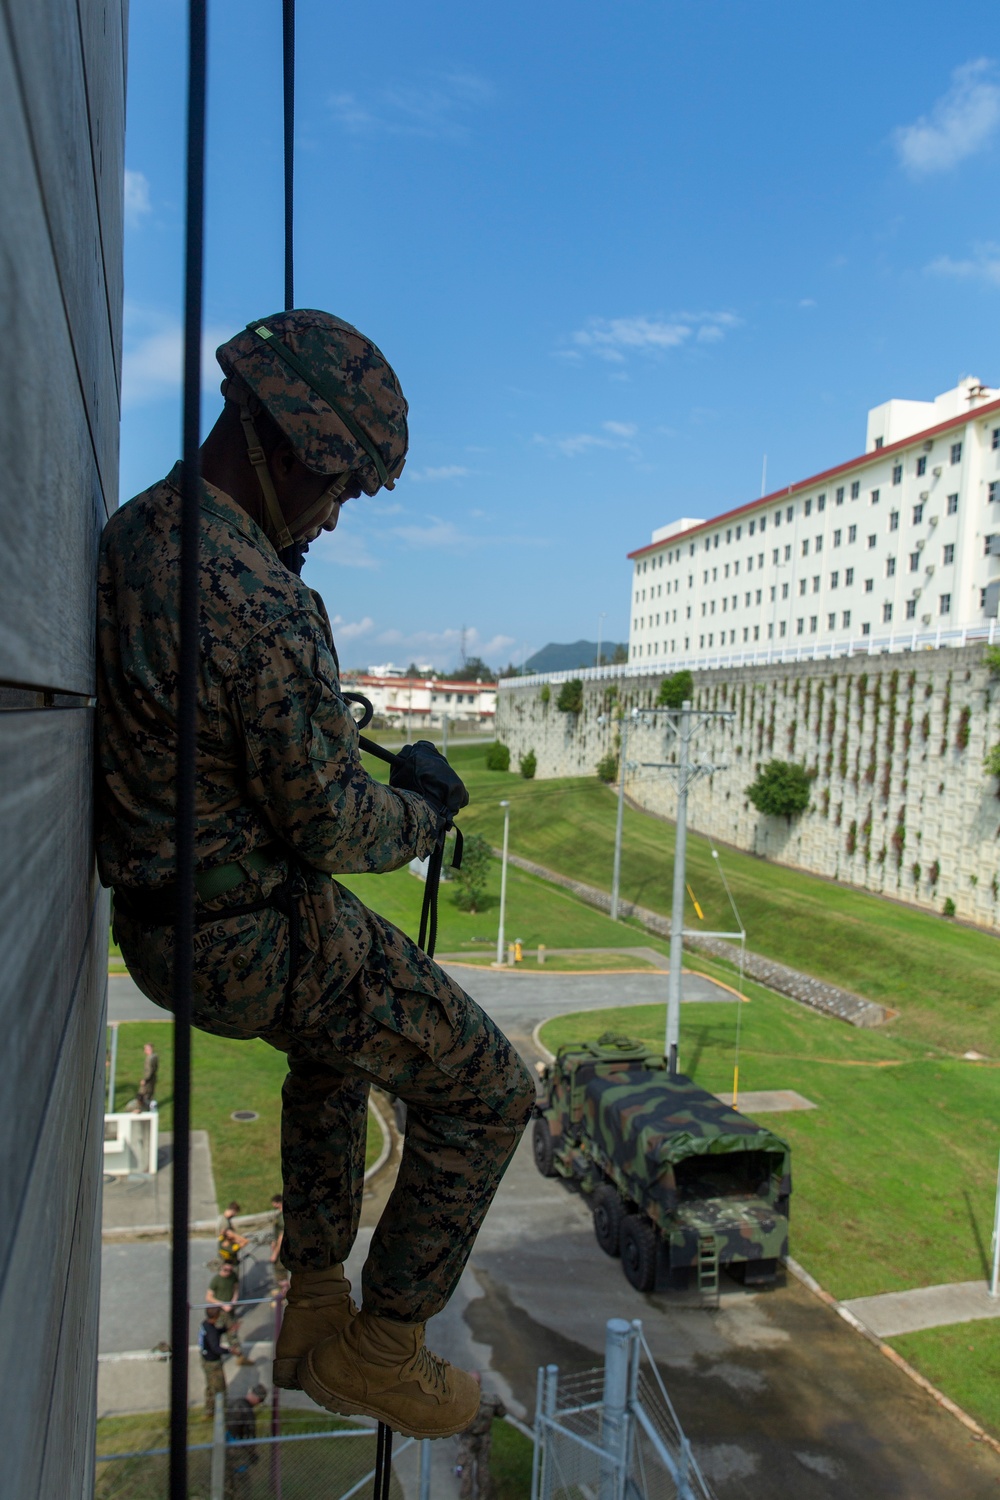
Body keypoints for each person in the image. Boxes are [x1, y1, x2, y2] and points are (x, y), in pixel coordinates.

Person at [96, 309, 535, 1440]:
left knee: (337, 1049)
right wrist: (425, 812)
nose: (335, 514)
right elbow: (335, 820)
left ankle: (316, 1303)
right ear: (280, 443)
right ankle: (380, 1351)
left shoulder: (140, 534)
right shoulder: (261, 599)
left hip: (166, 923)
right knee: (487, 1089)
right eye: (334, 485)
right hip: (247, 934)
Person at [455, 1378, 507, 1500]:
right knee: (483, 1469)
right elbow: (502, 1413)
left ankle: (466, 1497)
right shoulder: (492, 1400)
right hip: (484, 1438)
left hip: (467, 1439)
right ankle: (483, 1496)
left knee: (466, 1469)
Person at [225, 1382, 267, 1500]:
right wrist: (252, 1454)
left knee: (228, 1478)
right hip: (239, 1450)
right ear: (257, 1398)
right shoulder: (248, 1413)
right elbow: (249, 1437)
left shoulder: (234, 1403)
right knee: (243, 1482)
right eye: (260, 1401)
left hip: (227, 1444)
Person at [206, 1263, 254, 1365]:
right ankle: (215, 1356)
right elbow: (209, 1297)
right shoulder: (216, 1280)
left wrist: (234, 1299)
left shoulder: (233, 1276)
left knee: (232, 1333)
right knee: (216, 1335)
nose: (228, 1272)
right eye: (225, 1270)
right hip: (219, 1312)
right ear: (221, 1268)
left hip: (230, 1311)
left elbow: (236, 1287)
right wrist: (223, 1305)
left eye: (230, 1270)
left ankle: (240, 1357)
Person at [199, 1307, 231, 1420]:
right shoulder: (211, 1330)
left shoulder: (205, 1325)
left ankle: (209, 1410)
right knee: (220, 1388)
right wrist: (230, 1350)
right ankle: (224, 1412)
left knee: (210, 1386)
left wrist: (225, 1329)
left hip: (205, 1359)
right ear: (215, 1317)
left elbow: (215, 1332)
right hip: (213, 1363)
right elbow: (216, 1348)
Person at [269, 1193, 288, 1287]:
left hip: (282, 1248)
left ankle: (284, 1294)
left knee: (280, 1271)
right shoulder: (280, 1215)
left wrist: (275, 1254)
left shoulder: (282, 1218)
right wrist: (273, 1241)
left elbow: (282, 1236)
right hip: (279, 1245)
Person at [136, 1042, 158, 1110]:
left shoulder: (149, 1058)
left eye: (145, 1049)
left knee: (143, 1094)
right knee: (149, 1093)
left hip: (148, 1080)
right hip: (153, 1079)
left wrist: (145, 1080)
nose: (144, 1050)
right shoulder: (155, 1056)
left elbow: (149, 1070)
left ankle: (145, 1108)